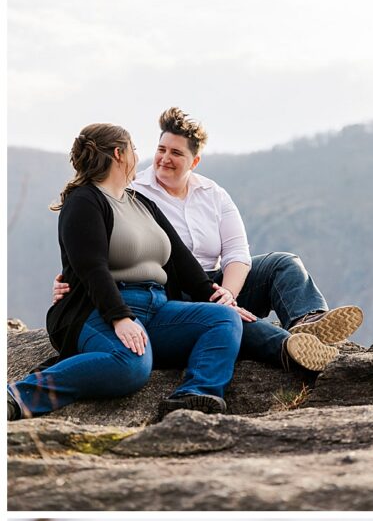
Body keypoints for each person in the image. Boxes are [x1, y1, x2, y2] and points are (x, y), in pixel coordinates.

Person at [7, 123, 243, 422]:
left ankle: (194, 395)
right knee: (130, 366)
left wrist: (220, 298)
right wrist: (120, 318)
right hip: (99, 310)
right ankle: (17, 395)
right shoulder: (84, 201)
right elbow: (93, 269)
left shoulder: (142, 203)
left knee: (222, 320)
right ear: (120, 154)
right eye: (133, 149)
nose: (137, 156)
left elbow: (184, 264)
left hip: (157, 308)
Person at [135, 109, 362, 378]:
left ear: (194, 161)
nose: (165, 158)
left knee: (283, 263)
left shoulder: (213, 194)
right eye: (162, 149)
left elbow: (237, 252)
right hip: (174, 291)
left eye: (176, 153)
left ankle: (308, 322)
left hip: (219, 284)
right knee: (231, 320)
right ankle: (291, 349)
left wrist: (228, 294)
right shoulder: (135, 191)